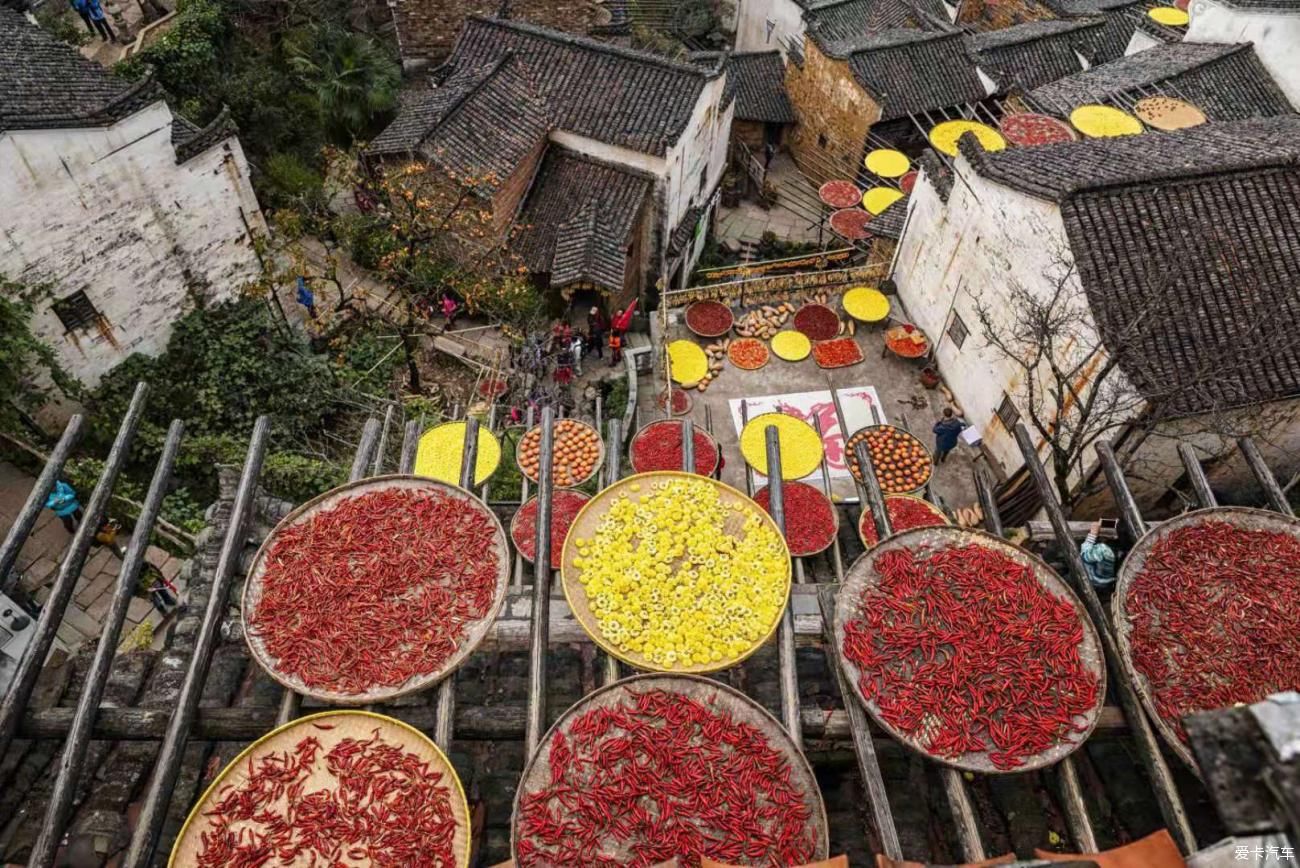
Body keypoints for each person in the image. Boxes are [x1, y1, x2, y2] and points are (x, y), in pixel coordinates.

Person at [1081, 520, 1117, 592]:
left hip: (1094, 580)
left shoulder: (1103, 550)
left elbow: (1084, 556)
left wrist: (1093, 534)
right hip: (1111, 581)